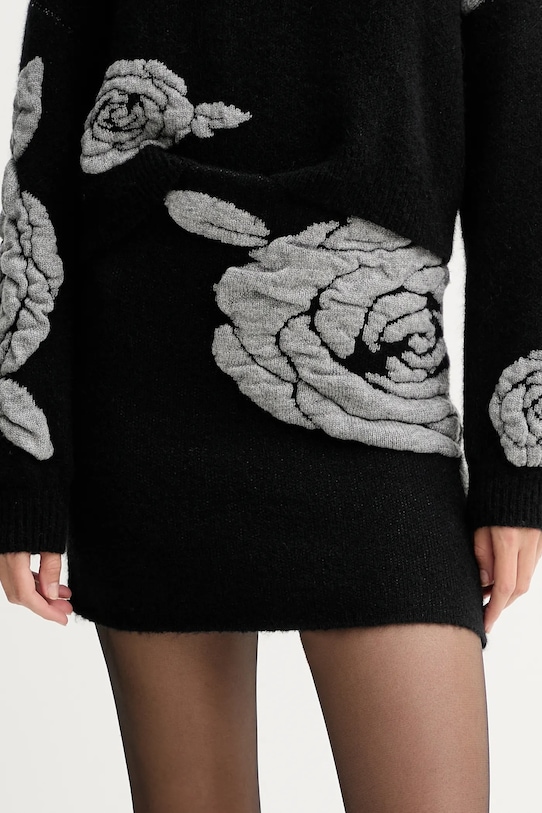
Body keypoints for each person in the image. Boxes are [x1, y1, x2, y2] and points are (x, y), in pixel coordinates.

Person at [0, 0, 541, 810]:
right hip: (150, 397)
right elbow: (41, 152)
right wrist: (25, 467)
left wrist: (519, 465)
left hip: (377, 397)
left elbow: (523, 163)